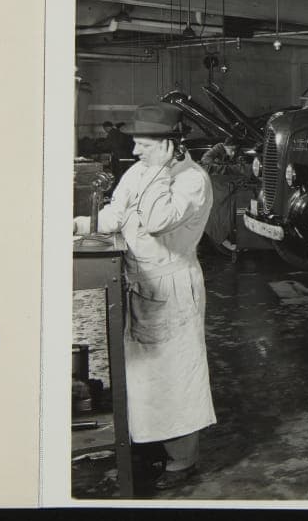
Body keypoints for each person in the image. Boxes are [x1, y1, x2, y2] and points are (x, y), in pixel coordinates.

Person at [73, 103, 217, 491]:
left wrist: (156, 172)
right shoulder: (140, 171)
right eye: (135, 144)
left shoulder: (191, 179)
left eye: (144, 145)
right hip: (140, 284)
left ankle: (183, 460)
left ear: (170, 145)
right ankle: (152, 442)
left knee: (174, 378)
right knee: (143, 375)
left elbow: (156, 221)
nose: (135, 152)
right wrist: (73, 224)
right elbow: (114, 215)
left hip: (172, 289)